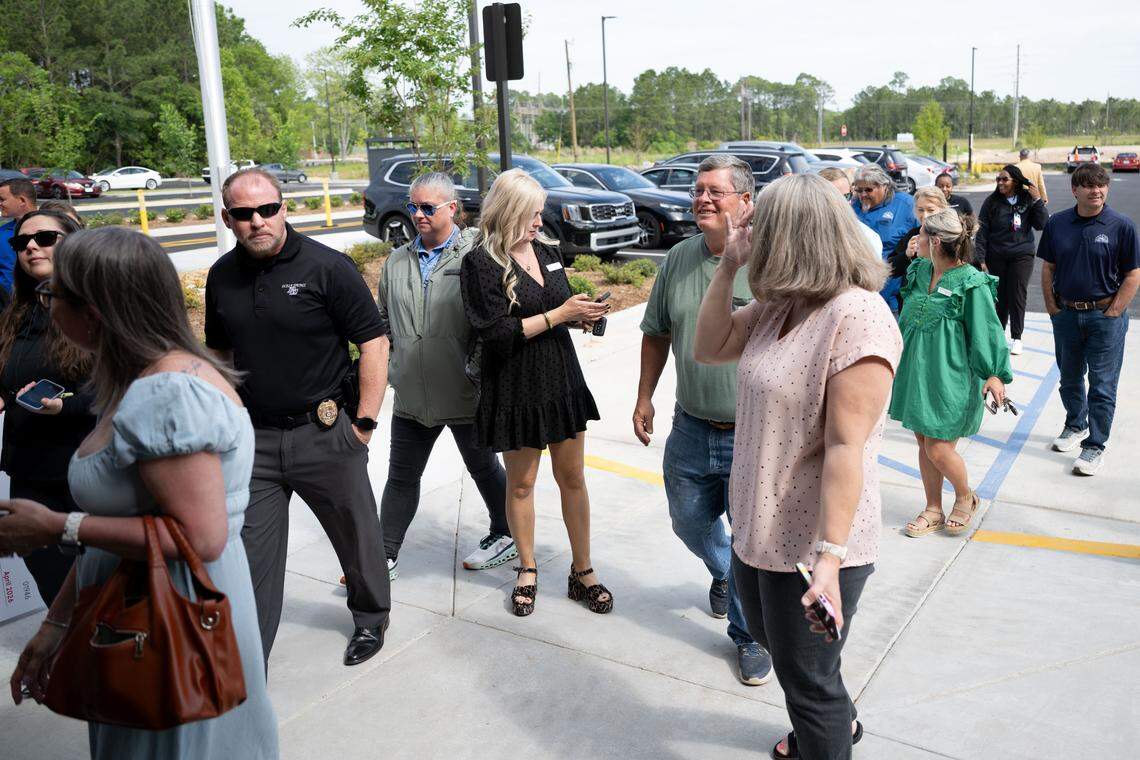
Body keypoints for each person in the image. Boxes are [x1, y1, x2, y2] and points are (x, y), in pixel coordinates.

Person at [3, 227, 278, 758]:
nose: (46, 302)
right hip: (140, 617)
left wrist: (55, 525)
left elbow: (201, 537)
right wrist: (58, 623)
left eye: (52, 294)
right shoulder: (141, 377)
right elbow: (127, 531)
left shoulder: (166, 393)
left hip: (171, 624)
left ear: (95, 310)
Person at [693, 173, 902, 759]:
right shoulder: (779, 304)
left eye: (757, 224)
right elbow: (708, 347)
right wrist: (728, 266)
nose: (745, 230)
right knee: (776, 645)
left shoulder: (857, 317)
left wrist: (829, 560)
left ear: (792, 234)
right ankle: (839, 721)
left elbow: (846, 448)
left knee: (808, 686)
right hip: (759, 528)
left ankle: (828, 736)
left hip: (816, 545)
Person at [204, 168, 391, 667]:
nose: (257, 221)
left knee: (357, 536)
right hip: (256, 441)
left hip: (326, 432)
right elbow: (219, 353)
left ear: (284, 208)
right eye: (243, 214)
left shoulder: (328, 268)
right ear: (228, 218)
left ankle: (371, 618)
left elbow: (373, 343)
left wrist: (364, 425)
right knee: (252, 558)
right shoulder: (222, 276)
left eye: (267, 209)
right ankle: (250, 659)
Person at [634, 154, 772, 686]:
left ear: (746, 203)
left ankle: (748, 634)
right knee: (687, 521)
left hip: (755, 433)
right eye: (699, 191)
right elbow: (656, 331)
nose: (704, 199)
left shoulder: (768, 264)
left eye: (716, 191)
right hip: (690, 426)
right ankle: (722, 572)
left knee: (747, 540)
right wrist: (644, 395)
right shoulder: (678, 259)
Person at [459, 168, 612, 617]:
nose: (539, 224)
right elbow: (495, 333)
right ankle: (527, 569)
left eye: (540, 214)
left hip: (561, 378)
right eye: (531, 214)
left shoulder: (547, 250)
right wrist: (560, 314)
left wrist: (582, 315)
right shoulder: (481, 263)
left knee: (573, 479)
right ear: (508, 212)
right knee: (522, 484)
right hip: (515, 384)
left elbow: (556, 306)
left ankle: (583, 571)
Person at [375, 172, 515, 578]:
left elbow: (495, 316)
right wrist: (394, 365)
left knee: (484, 467)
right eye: (413, 206)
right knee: (401, 477)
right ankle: (384, 555)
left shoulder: (476, 254)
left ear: (452, 209)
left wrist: (478, 369)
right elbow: (383, 320)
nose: (418, 214)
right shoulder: (397, 260)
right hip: (412, 396)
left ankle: (504, 533)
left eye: (428, 207)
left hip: (464, 392)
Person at [889, 209, 1012, 537]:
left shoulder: (971, 282)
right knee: (923, 441)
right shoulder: (919, 270)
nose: (918, 239)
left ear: (937, 240)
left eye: (922, 235)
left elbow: (988, 331)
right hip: (915, 372)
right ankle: (932, 507)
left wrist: (994, 374)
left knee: (939, 448)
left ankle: (964, 496)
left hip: (951, 377)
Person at [0, 210, 92, 604]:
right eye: (21, 242)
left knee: (102, 600)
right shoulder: (13, 314)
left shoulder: (99, 308)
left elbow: (127, 390)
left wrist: (64, 408)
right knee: (59, 601)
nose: (31, 247)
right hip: (31, 476)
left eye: (45, 238)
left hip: (87, 476)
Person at [1039, 163, 1140, 475]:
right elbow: (1048, 268)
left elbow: (1132, 274)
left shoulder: (1121, 226)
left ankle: (1095, 446)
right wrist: (1053, 309)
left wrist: (1114, 312)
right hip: (1067, 315)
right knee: (1069, 378)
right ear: (1075, 190)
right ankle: (1076, 424)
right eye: (1089, 186)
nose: (1096, 191)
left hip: (1105, 318)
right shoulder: (1057, 224)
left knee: (1102, 386)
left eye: (1101, 185)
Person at [975, 164, 1047, 355]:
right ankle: (999, 335)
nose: (1000, 183)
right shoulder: (991, 202)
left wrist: (1037, 199)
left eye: (1004, 179)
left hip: (1021, 254)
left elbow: (1042, 224)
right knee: (1000, 297)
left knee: (1017, 294)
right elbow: (982, 232)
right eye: (998, 179)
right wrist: (980, 258)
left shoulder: (1027, 199)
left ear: (1015, 181)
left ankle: (1017, 337)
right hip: (996, 255)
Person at [851, 163, 917, 314]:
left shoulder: (906, 205)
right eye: (858, 190)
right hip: (860, 292)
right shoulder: (853, 205)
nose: (862, 195)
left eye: (868, 190)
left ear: (884, 186)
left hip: (892, 294)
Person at [887, 186, 951, 279]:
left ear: (942, 209)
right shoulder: (913, 235)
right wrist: (906, 254)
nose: (925, 216)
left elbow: (971, 269)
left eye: (931, 210)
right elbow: (890, 270)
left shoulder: (952, 236)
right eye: (920, 210)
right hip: (912, 292)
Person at [0, 177, 39, 294]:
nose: (0, 204)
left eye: (2, 199)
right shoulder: (2, 232)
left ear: (22, 200)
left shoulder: (51, 230)